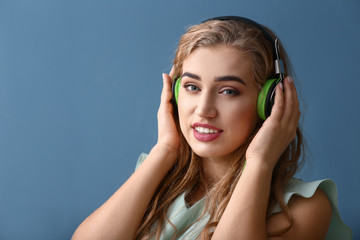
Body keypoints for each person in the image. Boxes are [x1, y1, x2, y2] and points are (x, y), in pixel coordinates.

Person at [72, 16, 352, 240]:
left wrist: (260, 162)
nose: (204, 109)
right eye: (192, 87)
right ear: (175, 94)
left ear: (268, 102)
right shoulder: (155, 178)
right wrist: (165, 150)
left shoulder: (305, 208)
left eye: (228, 91)